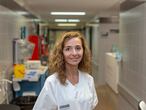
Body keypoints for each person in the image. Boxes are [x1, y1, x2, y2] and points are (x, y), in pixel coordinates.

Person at [33, 31, 98, 110]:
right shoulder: (52, 82)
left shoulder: (89, 80)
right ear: (61, 53)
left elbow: (92, 107)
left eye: (78, 48)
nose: (74, 53)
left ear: (83, 51)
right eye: (68, 49)